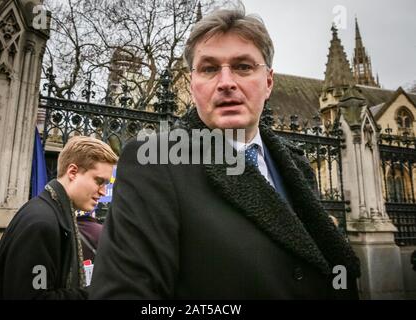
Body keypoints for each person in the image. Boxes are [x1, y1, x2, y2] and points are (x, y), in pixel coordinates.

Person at [90, 6, 361, 299]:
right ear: (192, 85)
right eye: (208, 69)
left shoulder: (294, 163)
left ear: (268, 82)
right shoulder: (153, 162)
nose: (226, 82)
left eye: (243, 66)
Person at [0, 136, 117, 299]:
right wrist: (97, 293)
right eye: (99, 181)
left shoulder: (49, 211)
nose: (103, 191)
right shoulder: (43, 223)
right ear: (73, 172)